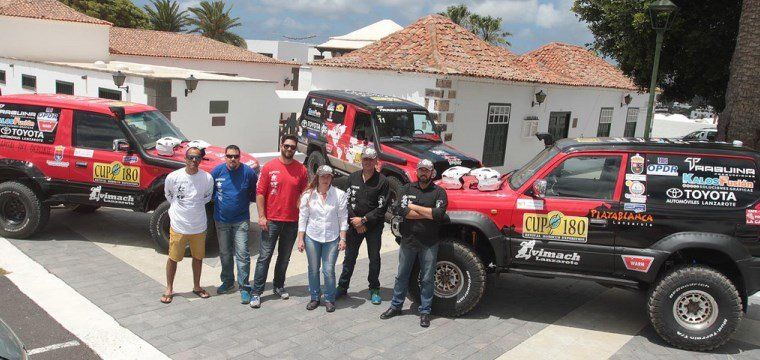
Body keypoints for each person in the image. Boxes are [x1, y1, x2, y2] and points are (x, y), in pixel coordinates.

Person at [380, 159, 448, 327]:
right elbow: (400, 210)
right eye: (421, 170)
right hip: (408, 241)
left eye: (427, 170)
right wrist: (428, 213)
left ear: (432, 173)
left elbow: (439, 214)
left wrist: (414, 207)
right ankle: (396, 306)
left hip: (430, 243)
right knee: (402, 276)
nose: (423, 173)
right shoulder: (406, 188)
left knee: (427, 279)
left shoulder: (439, 192)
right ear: (417, 172)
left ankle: (425, 312)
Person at [250, 134, 308, 308]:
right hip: (271, 221)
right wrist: (261, 216)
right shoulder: (269, 167)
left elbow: (304, 194)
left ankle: (278, 285)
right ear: (281, 145)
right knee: (265, 257)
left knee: (284, 257)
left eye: (293, 147)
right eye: (287, 146)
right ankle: (256, 292)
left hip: (291, 222)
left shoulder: (302, 170)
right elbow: (260, 193)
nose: (289, 149)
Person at [160, 147, 214, 304]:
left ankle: (197, 287)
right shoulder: (173, 177)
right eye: (191, 157)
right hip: (179, 225)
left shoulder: (207, 178)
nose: (194, 161)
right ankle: (169, 288)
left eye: (197, 158)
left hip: (198, 226)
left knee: (198, 258)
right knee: (173, 258)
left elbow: (206, 197)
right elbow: (169, 195)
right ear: (185, 158)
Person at [336, 147, 388, 304]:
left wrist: (364, 220)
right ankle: (342, 287)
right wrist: (356, 221)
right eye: (365, 159)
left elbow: (382, 208)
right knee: (349, 258)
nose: (367, 162)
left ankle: (374, 288)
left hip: (373, 227)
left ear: (376, 161)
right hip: (354, 225)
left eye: (371, 159)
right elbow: (346, 202)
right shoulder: (352, 178)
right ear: (361, 160)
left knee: (374, 258)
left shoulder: (383, 181)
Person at [296, 165, 348, 312]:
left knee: (328, 269)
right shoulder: (308, 195)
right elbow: (303, 218)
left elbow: (343, 218)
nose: (326, 179)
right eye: (323, 176)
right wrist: (300, 239)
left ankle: (330, 298)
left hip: (332, 238)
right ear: (317, 178)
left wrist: (343, 238)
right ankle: (314, 297)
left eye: (328, 176)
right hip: (312, 236)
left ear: (332, 177)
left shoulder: (340, 195)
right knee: (313, 269)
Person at [211, 145, 258, 304]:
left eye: (236, 156)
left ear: (240, 157)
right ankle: (228, 281)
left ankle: (244, 287)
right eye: (230, 156)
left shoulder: (248, 173)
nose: (233, 159)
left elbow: (253, 194)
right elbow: (211, 194)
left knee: (242, 254)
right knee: (224, 252)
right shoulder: (217, 172)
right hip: (221, 220)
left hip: (241, 220)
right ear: (225, 157)